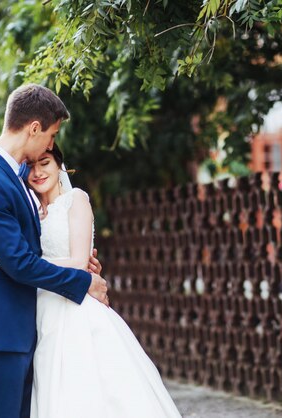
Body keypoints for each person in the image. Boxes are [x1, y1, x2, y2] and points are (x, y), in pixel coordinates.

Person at [0, 84, 109, 418]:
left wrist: (79, 261)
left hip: (25, 330)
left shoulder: (17, 177)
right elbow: (20, 264)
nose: (52, 145)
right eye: (52, 135)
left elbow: (30, 249)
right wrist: (81, 281)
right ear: (34, 128)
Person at [22, 144, 181, 418]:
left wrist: (21, 263)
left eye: (44, 163)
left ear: (59, 164)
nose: (37, 172)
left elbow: (80, 262)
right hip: (43, 309)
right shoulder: (33, 214)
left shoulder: (76, 199)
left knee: (89, 387)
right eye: (31, 166)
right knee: (53, 388)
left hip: (76, 310)